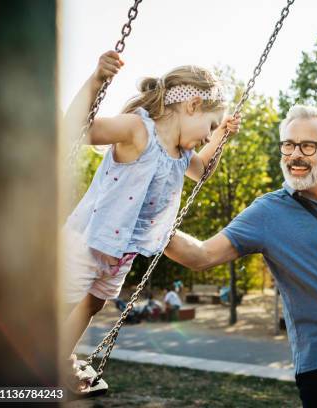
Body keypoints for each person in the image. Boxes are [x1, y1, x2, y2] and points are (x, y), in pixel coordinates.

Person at [166, 105, 317, 407]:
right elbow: (200, 256)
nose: (296, 154)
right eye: (289, 145)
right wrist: (151, 223)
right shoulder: (265, 212)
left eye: (308, 146)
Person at [61, 51, 241, 389]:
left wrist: (220, 137)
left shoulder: (182, 155)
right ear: (192, 105)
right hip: (87, 240)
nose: (208, 134)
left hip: (123, 250)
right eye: (210, 125)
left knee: (93, 304)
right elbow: (79, 130)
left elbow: (202, 171)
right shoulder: (138, 129)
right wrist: (97, 79)